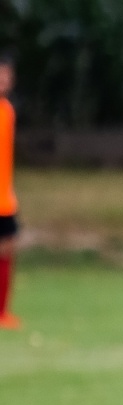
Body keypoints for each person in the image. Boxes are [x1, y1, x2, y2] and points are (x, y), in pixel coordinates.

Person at [0, 55, 21, 330]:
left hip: (4, 197)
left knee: (9, 246)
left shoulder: (8, 111)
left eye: (6, 75)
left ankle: (2, 312)